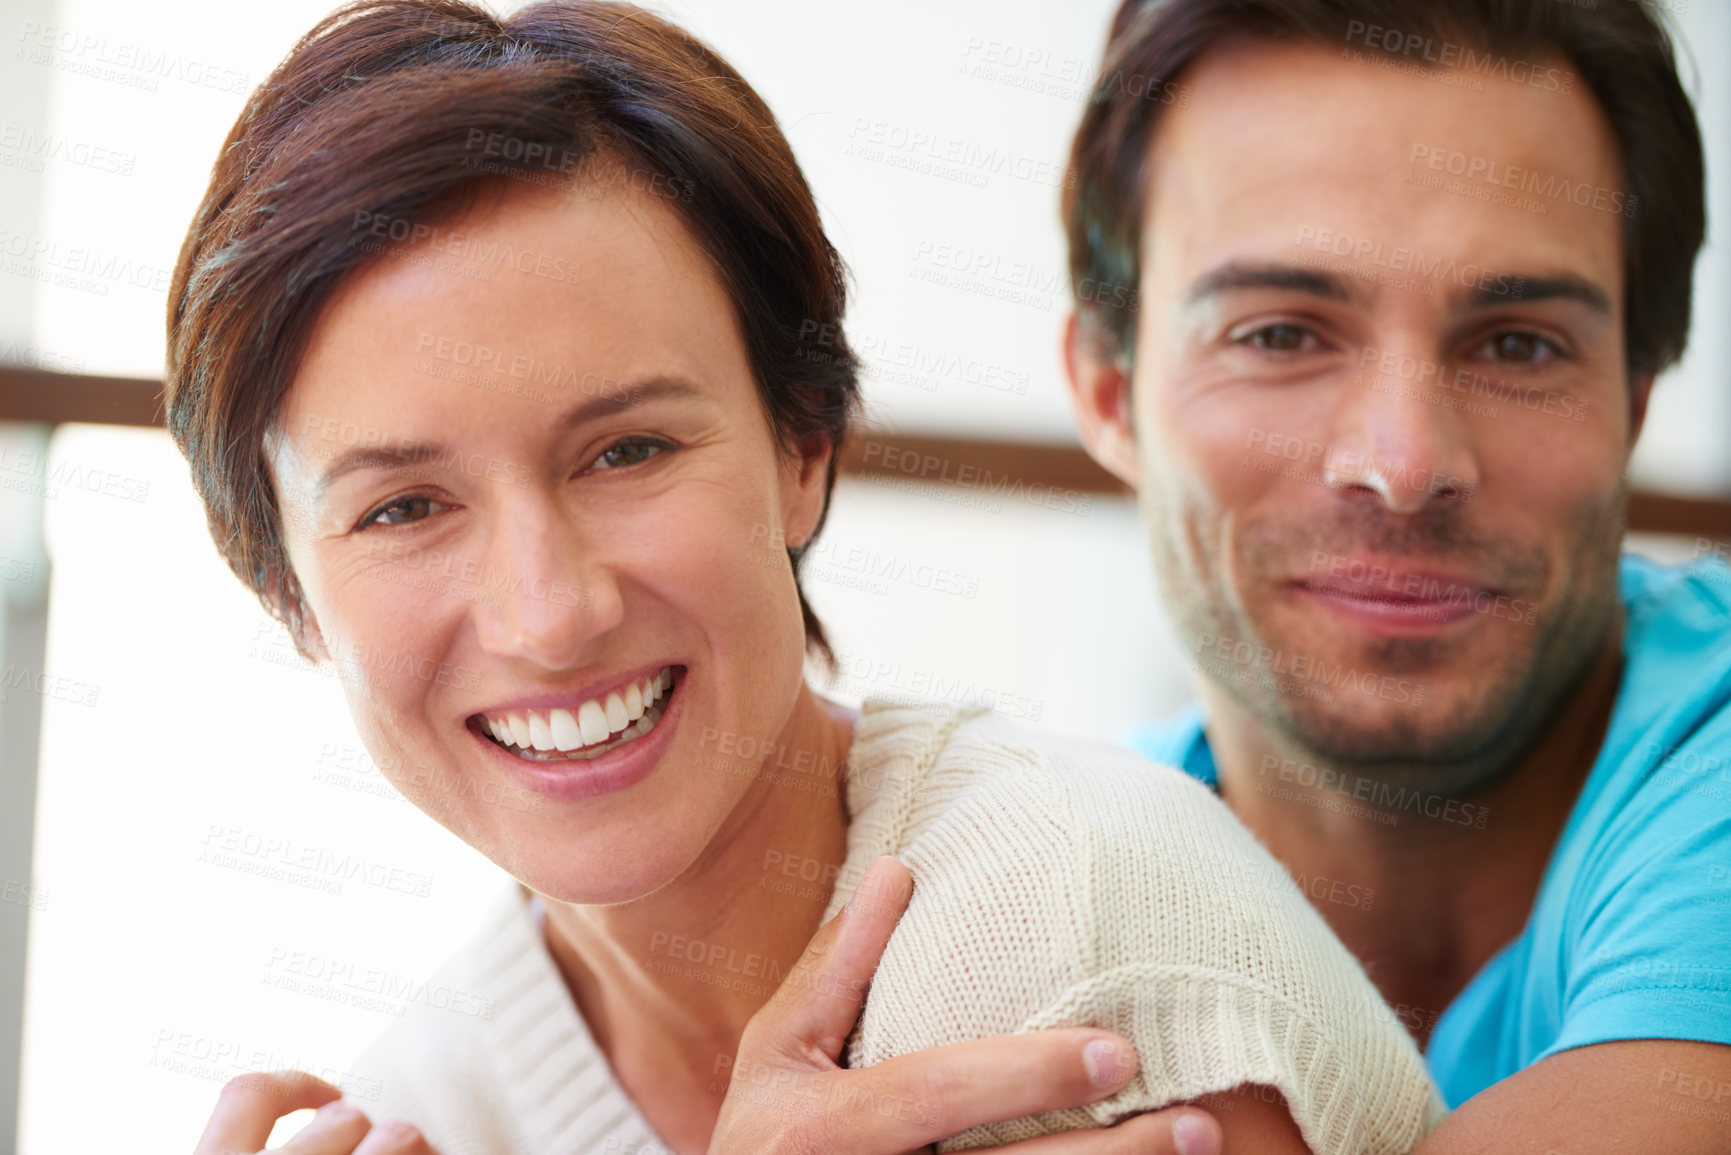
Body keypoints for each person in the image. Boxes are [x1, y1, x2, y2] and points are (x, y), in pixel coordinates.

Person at [169, 2, 1444, 1154]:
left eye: (629, 450)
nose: (550, 616)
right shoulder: (420, 1111)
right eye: (404, 507)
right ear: (286, 591)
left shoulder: (1069, 927)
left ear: (802, 449)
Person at [1056, 0, 1731, 1149]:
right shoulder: (1046, 871)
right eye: (1280, 335)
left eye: (1518, 344)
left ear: (1633, 401)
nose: (1405, 465)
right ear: (1109, 393)